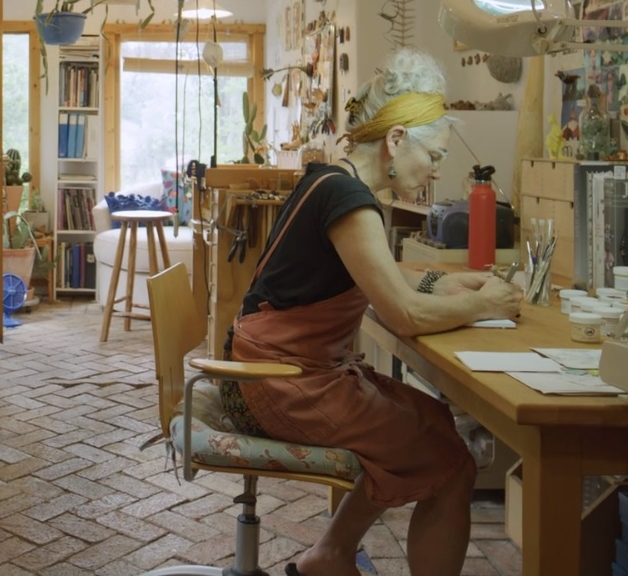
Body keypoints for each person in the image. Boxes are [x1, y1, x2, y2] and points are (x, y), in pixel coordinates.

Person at [223, 48, 523, 576]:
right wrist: (483, 303)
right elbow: (402, 315)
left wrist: (445, 280)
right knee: (453, 466)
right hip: (279, 381)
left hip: (276, 368)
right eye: (433, 156)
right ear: (396, 139)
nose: (436, 170)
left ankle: (329, 555)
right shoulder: (349, 199)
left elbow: (380, 274)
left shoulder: (331, 181)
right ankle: (330, 553)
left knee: (430, 421)